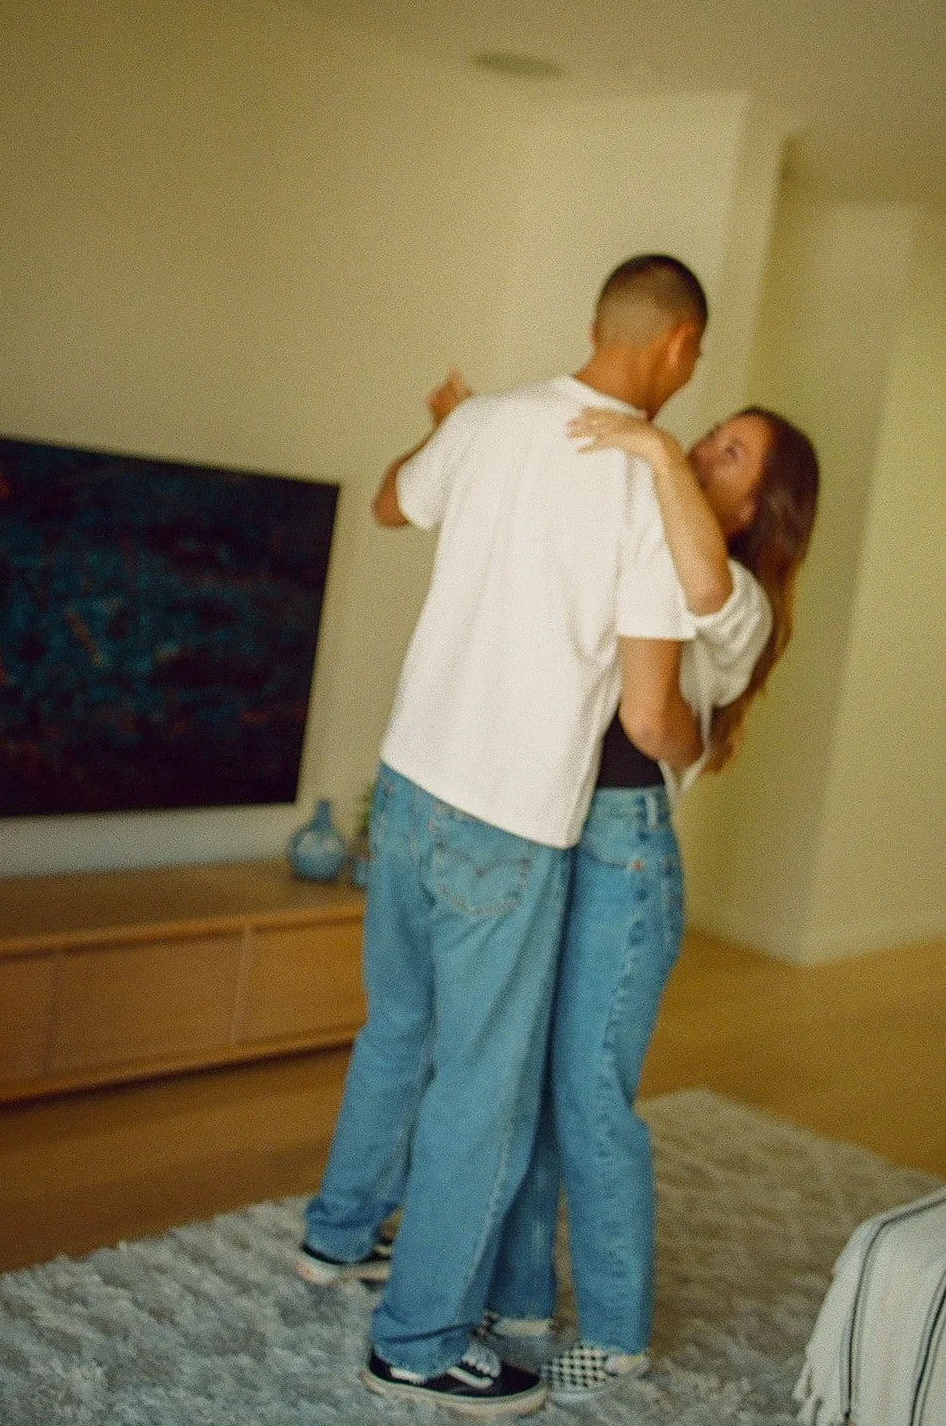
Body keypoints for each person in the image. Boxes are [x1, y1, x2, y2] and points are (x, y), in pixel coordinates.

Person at [295, 255, 709, 1417]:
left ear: (600, 323)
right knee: (487, 1092)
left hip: (406, 783)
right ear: (677, 346)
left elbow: (390, 502)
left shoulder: (484, 422)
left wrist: (442, 440)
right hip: (507, 818)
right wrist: (690, 750)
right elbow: (642, 711)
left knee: (398, 1030)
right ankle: (417, 1342)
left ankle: (334, 1241)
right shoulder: (645, 485)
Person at [480, 401, 820, 1404]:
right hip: (559, 830)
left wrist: (651, 444)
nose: (700, 452)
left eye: (726, 453)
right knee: (534, 1083)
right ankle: (521, 1299)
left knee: (589, 1097)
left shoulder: (742, 595)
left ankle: (621, 1332)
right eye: (709, 432)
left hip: (626, 859)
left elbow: (666, 700)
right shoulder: (642, 539)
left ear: (761, 505)